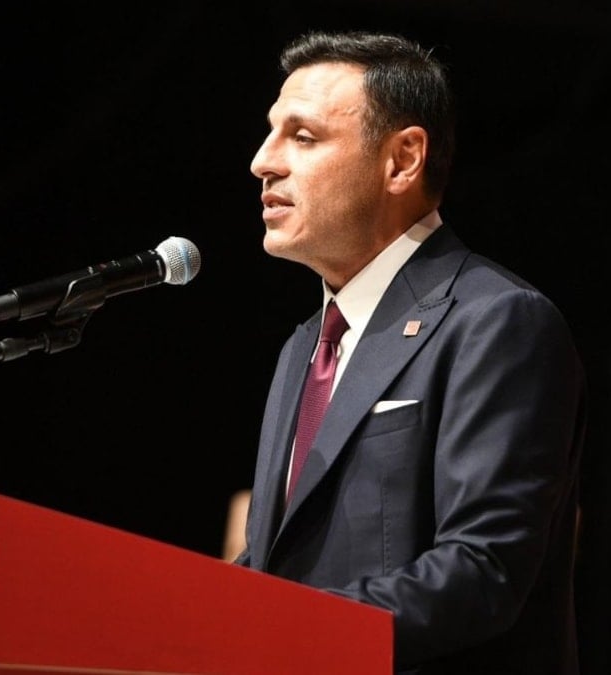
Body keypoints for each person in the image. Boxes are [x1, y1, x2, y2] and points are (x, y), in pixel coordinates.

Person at [232, 30, 588, 674]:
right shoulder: (304, 346)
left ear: (403, 160)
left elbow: (481, 569)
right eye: (270, 133)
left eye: (303, 137)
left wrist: (292, 633)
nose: (263, 161)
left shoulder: (496, 321)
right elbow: (274, 564)